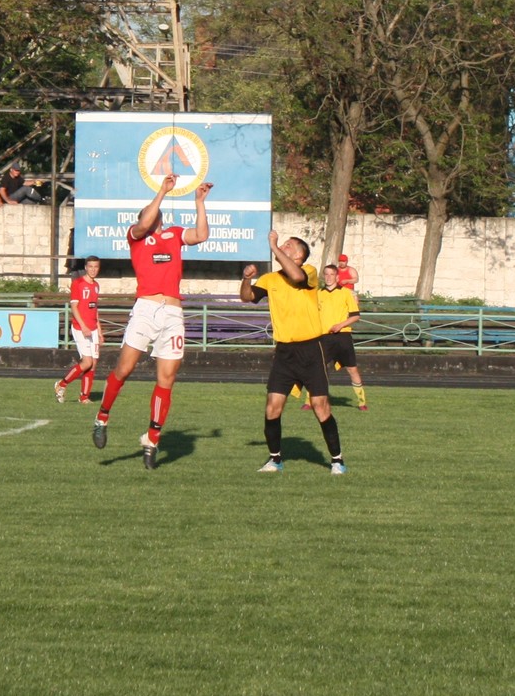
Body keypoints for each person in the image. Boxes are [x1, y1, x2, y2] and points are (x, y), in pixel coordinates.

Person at [92, 174, 213, 469]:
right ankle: (102, 416)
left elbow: (201, 235)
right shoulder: (136, 236)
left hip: (172, 312)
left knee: (167, 378)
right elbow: (145, 222)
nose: (153, 215)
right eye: (149, 212)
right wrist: (162, 191)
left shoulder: (173, 234)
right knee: (125, 368)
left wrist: (199, 203)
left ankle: (152, 438)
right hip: (146, 309)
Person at [243, 233, 345, 474]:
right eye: (282, 244)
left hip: (311, 350)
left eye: (288, 245)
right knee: (272, 406)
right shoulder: (270, 278)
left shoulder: (308, 271)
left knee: (320, 406)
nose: (282, 246)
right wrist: (246, 279)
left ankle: (337, 460)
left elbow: (297, 277)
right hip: (284, 352)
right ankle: (275, 459)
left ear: (299, 255)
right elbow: (247, 297)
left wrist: (273, 247)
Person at [316, 261, 368, 411]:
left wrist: (340, 325)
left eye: (332, 274)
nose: (329, 277)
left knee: (352, 369)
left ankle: (362, 402)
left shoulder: (345, 293)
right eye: (326, 274)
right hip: (324, 337)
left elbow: (355, 315)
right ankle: (312, 400)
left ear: (337, 277)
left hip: (342, 336)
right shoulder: (318, 294)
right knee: (318, 369)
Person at [55, 257, 102, 404]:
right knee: (87, 362)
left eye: (96, 267)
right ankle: (62, 384)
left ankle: (84, 397)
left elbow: (95, 309)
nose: (93, 269)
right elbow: (74, 307)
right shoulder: (78, 283)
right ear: (86, 267)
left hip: (93, 329)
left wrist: (99, 331)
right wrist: (83, 326)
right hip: (80, 328)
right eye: (90, 266)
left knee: (93, 363)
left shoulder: (96, 285)